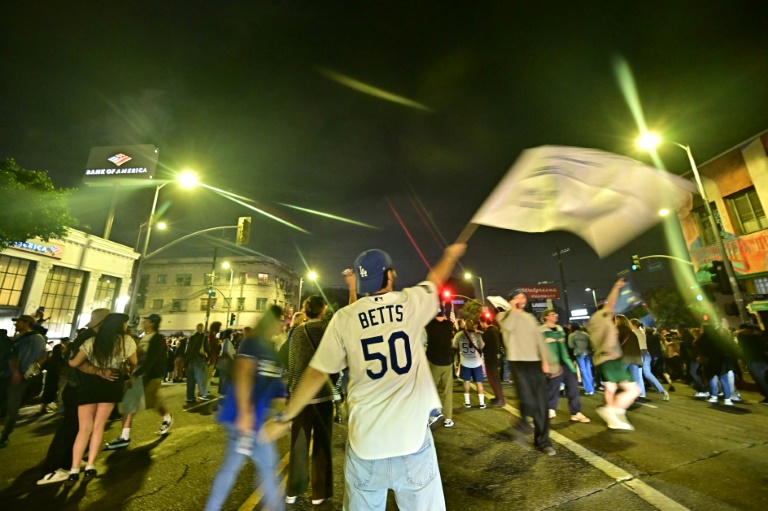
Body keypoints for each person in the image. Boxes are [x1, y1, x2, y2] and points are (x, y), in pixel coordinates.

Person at [263, 244, 466, 511]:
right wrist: (450, 256)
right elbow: (434, 281)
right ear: (390, 275)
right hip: (411, 440)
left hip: (366, 444)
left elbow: (316, 372)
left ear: (362, 282)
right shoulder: (409, 302)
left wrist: (286, 416)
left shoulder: (345, 318)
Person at [204, 306, 286, 511]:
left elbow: (277, 392)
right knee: (265, 468)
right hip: (241, 419)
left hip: (252, 422)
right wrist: (245, 413)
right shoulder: (253, 343)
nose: (282, 325)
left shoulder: (272, 352)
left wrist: (284, 417)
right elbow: (242, 374)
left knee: (236, 468)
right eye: (280, 320)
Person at [37, 309, 115, 485]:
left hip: (79, 388)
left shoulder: (88, 335)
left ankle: (67, 462)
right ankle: (51, 470)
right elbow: (76, 361)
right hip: (78, 388)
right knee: (69, 428)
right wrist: (99, 371)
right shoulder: (89, 338)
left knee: (77, 428)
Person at [66, 313, 137, 485]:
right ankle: (90, 466)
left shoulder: (92, 341)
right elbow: (134, 362)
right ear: (121, 325)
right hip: (111, 383)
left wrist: (70, 357)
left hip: (89, 385)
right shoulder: (127, 341)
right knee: (98, 427)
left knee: (84, 429)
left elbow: (74, 363)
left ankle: (74, 471)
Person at [285, 295, 333, 506]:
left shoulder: (297, 333)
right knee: (322, 444)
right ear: (323, 309)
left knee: (298, 444)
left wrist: (292, 395)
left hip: (301, 397)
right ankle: (319, 492)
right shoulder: (328, 330)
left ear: (305, 311)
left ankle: (293, 490)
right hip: (323, 394)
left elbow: (292, 364)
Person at [497, 289, 555, 455]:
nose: (523, 299)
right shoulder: (504, 317)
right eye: (519, 297)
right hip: (518, 363)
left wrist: (546, 361)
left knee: (542, 404)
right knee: (528, 401)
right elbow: (507, 327)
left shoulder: (530, 317)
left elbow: (539, 340)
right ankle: (522, 425)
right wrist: (514, 310)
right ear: (511, 300)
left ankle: (543, 442)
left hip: (535, 362)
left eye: (524, 297)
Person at [106, 314, 172, 450]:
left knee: (142, 403)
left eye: (147, 320)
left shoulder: (158, 338)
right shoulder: (143, 337)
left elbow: (152, 360)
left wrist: (137, 374)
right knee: (136, 403)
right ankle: (125, 436)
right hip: (141, 375)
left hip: (150, 375)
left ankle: (125, 436)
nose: (144, 322)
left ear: (152, 323)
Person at [589, 280, 641, 430]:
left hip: (602, 359)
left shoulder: (593, 322)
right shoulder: (602, 317)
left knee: (610, 388)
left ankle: (613, 420)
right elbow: (610, 304)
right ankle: (612, 411)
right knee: (633, 390)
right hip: (610, 358)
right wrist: (616, 287)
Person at [0, 315, 47, 448]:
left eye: (18, 322)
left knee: (12, 408)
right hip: (6, 375)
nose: (16, 324)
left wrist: (29, 370)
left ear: (27, 323)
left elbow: (42, 356)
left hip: (19, 377)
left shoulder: (36, 338)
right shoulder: (16, 338)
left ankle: (4, 436)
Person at [540, 310, 589, 423]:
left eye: (555, 314)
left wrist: (569, 361)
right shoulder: (540, 330)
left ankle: (576, 412)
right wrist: (544, 362)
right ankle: (550, 409)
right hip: (552, 363)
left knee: (573, 387)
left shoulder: (559, 329)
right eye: (552, 314)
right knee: (553, 387)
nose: (555, 316)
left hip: (565, 362)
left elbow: (564, 346)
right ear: (545, 317)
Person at [426, 308, 458, 426]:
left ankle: (433, 414)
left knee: (431, 390)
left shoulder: (430, 325)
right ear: (444, 314)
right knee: (447, 391)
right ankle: (448, 418)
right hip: (447, 362)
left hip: (434, 362)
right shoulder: (449, 325)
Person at [631, 318, 670, 401]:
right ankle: (663, 391)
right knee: (648, 374)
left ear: (634, 325)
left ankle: (641, 393)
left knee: (638, 373)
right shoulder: (642, 332)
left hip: (639, 353)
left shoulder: (633, 333)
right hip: (646, 354)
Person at [453, 319, 486, 409]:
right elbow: (482, 346)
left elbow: (454, 345)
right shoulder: (477, 335)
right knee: (479, 382)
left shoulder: (459, 335)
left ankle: (467, 402)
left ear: (465, 326)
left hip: (465, 361)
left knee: (466, 381)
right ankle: (482, 402)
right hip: (476, 361)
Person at [478, 314, 505, 407]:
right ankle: (498, 397)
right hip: (497, 356)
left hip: (490, 357)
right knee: (495, 378)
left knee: (493, 378)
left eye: (480, 322)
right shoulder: (496, 329)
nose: (480, 324)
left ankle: (500, 399)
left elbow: (482, 346)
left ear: (484, 322)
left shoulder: (487, 333)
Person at [186, 323, 210, 403]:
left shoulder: (192, 337)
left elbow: (188, 350)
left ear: (196, 328)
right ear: (202, 328)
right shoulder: (204, 337)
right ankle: (203, 394)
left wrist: (187, 361)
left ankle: (190, 397)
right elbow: (206, 348)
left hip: (191, 360)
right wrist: (208, 357)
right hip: (199, 359)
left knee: (190, 380)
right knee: (202, 378)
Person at [568, 322, 594, 395]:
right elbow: (590, 344)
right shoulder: (586, 334)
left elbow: (571, 346)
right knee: (588, 370)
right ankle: (591, 388)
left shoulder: (571, 335)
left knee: (583, 371)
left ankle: (589, 389)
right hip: (587, 353)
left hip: (579, 353)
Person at [205, 321, 222, 396]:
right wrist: (218, 343)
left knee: (208, 375)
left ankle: (205, 389)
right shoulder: (211, 336)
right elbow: (211, 347)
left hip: (212, 357)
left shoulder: (211, 335)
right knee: (208, 375)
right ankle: (205, 389)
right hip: (211, 357)